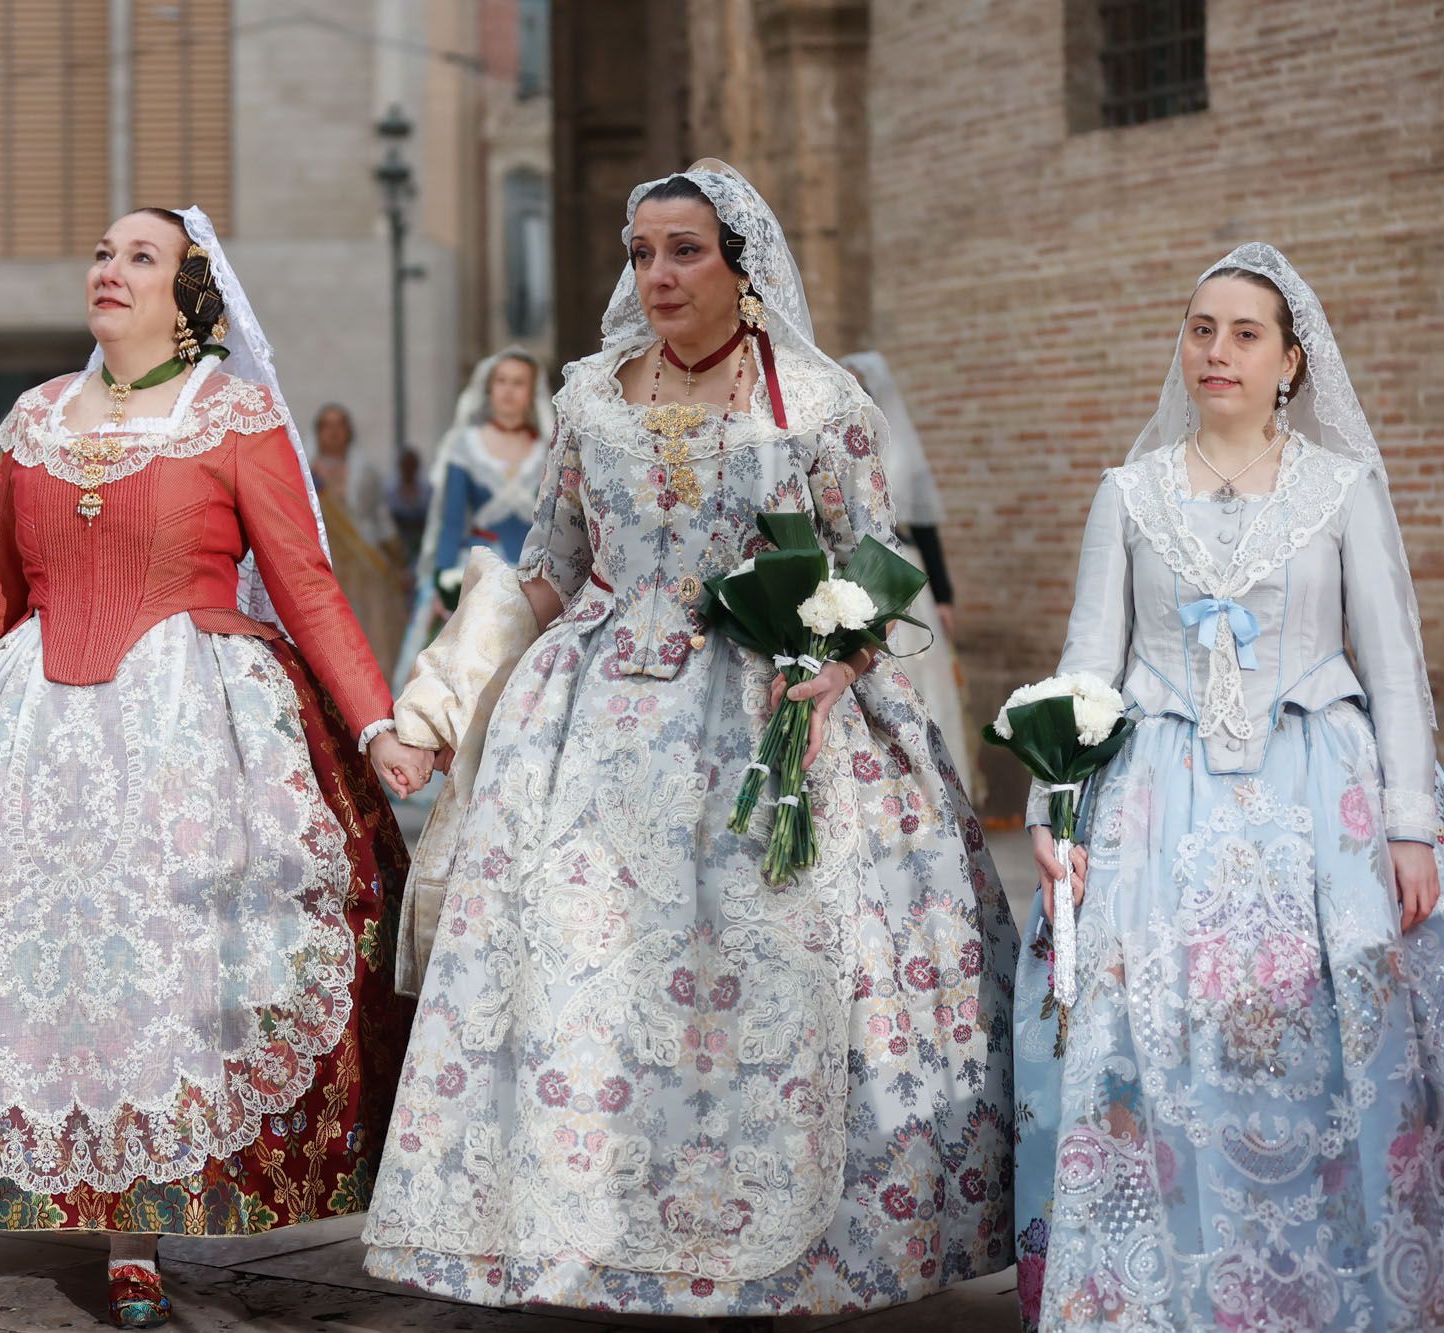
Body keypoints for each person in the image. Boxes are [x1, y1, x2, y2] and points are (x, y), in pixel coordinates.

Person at [360, 162, 1017, 1318]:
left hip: (771, 721)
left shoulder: (815, 407)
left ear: (740, 268)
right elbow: (549, 571)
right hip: (597, 726)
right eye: (639, 253)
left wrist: (833, 666)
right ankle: (593, 1234)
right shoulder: (587, 400)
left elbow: (879, 566)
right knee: (587, 976)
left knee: (763, 979)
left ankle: (773, 1246)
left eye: (684, 251)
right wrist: (442, 708)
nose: (656, 275)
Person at [0, 206, 429, 1329]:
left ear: (188, 296)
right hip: (29, 729)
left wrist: (380, 725)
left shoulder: (234, 418)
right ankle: (68, 1182)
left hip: (188, 726)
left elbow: (306, 589)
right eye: (99, 251)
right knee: (38, 962)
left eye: (140, 256)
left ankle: (138, 1224)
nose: (108, 269)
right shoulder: (35, 418)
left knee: (171, 964)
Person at [1012, 243, 1444, 1330]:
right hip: (1157, 799)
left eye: (1244, 333)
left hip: (1318, 810)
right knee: (1159, 1041)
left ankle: (1324, 1296)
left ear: (1289, 360)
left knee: (1306, 1047)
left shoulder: (1340, 490)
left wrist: (1411, 826)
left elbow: (1393, 665)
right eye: (1199, 328)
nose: (1215, 350)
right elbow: (1085, 666)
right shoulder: (1128, 494)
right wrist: (1051, 811)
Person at [839, 351, 974, 792]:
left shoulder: (897, 447)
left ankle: (933, 785)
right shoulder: (834, 438)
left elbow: (925, 524)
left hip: (899, 567)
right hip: (850, 569)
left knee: (917, 673)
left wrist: (945, 594)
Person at [392, 348, 552, 692]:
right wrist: (446, 582)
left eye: (518, 383)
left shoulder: (550, 450)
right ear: (489, 389)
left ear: (532, 392)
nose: (508, 390)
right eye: (501, 381)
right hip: (479, 571)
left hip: (533, 576)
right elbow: (450, 523)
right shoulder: (466, 446)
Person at [311, 403, 407, 672]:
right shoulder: (307, 472)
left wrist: (397, 559)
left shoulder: (365, 470)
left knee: (371, 632)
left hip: (366, 565)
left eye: (339, 424)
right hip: (324, 562)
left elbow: (381, 517)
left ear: (349, 431)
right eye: (326, 425)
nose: (333, 432)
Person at [384, 445, 431, 564]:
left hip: (420, 546)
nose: (408, 469)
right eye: (406, 465)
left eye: (411, 465)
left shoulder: (426, 492)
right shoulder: (390, 492)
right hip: (397, 546)